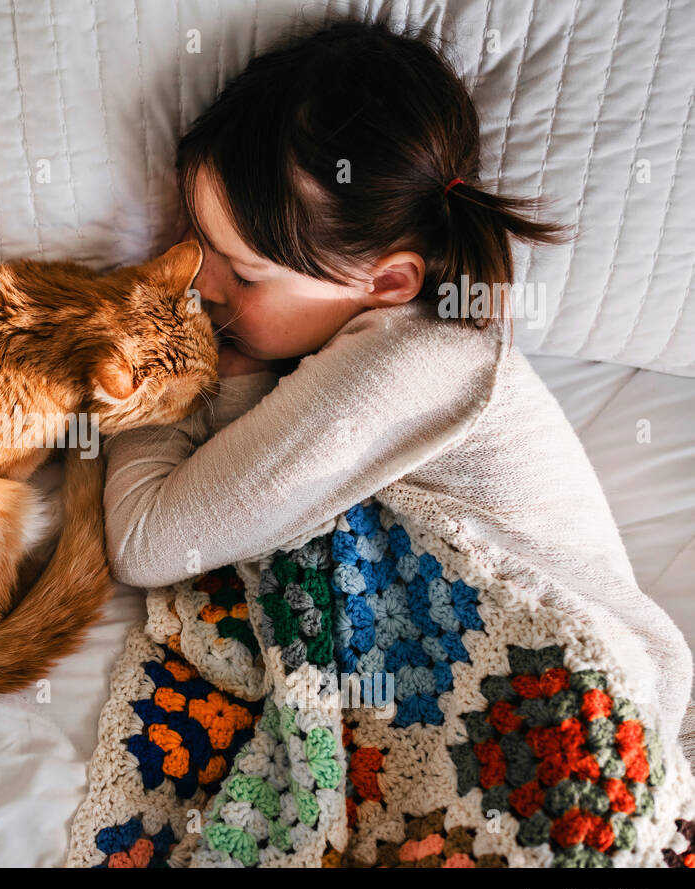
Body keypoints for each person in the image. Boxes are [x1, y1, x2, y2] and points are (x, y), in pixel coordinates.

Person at [101, 19, 694, 756]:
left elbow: (148, 538)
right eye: (195, 238)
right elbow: (240, 480)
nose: (198, 283)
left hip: (592, 702)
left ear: (386, 282)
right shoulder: (401, 334)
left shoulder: (408, 365)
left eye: (241, 272)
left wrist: (157, 357)